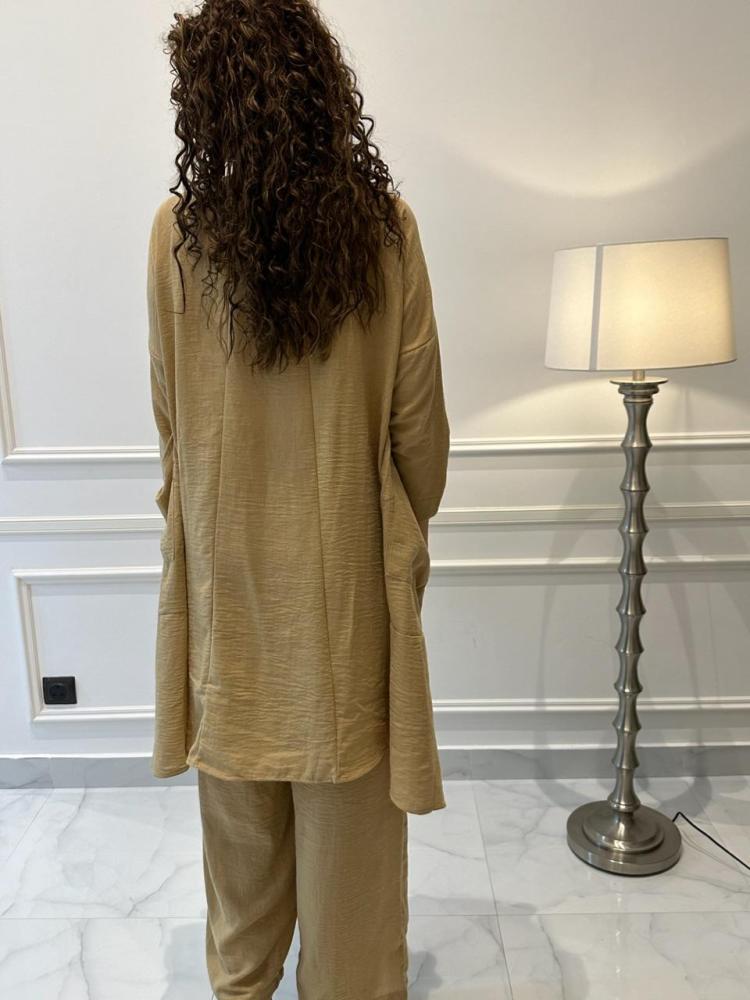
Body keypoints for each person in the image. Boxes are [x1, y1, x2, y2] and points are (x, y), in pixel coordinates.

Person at [146, 1, 450, 997]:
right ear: (323, 88)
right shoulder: (385, 232)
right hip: (345, 600)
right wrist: (394, 535)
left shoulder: (177, 237)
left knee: (240, 877)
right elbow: (419, 435)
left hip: (226, 599)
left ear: (205, 104)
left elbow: (172, 426)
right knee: (353, 888)